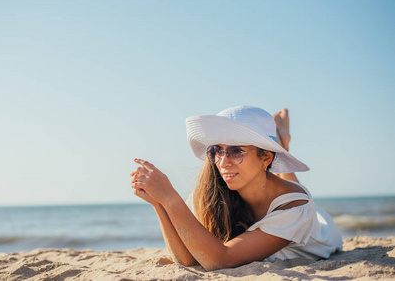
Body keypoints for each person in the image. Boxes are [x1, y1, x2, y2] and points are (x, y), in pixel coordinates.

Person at [130, 105, 342, 271]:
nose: (223, 162)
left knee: (292, 188)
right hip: (269, 187)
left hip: (318, 227)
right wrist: (159, 204)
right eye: (217, 151)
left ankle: (282, 144)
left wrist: (171, 198)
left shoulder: (296, 208)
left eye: (236, 151)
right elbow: (187, 259)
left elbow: (219, 260)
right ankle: (280, 142)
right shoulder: (213, 189)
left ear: (266, 156)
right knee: (268, 180)